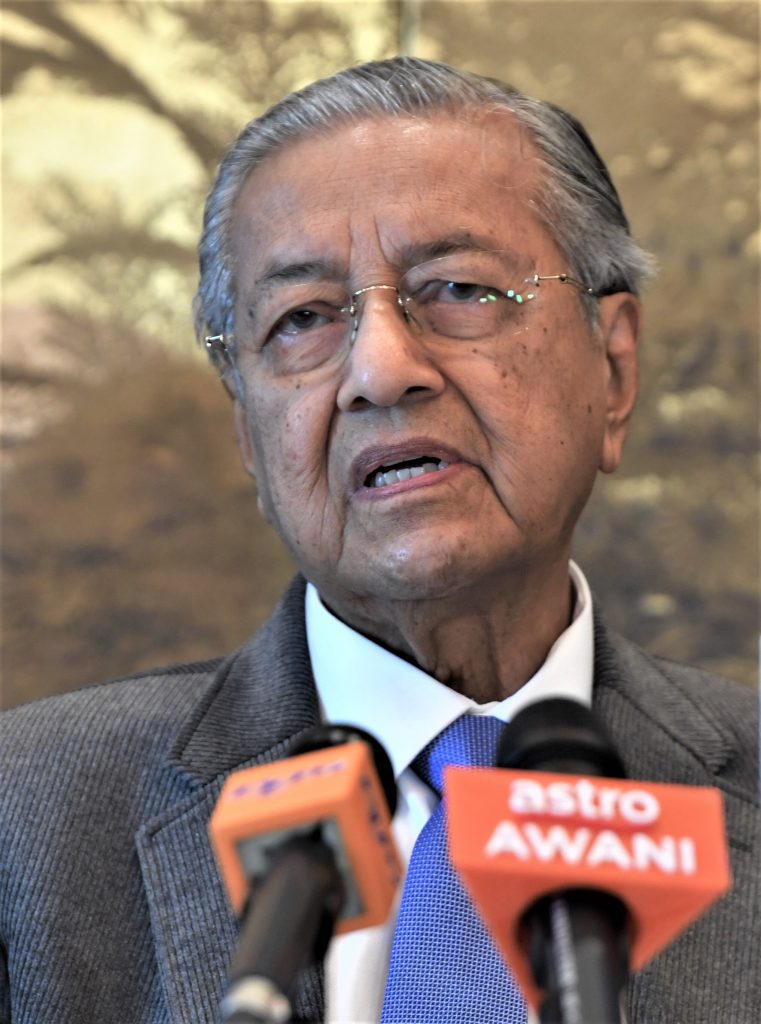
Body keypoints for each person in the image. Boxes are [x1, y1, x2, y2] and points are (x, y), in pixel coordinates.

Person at [0, 57, 758, 1024]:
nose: (381, 368)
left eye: (458, 288)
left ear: (612, 370)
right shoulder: (25, 826)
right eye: (303, 319)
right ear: (248, 434)